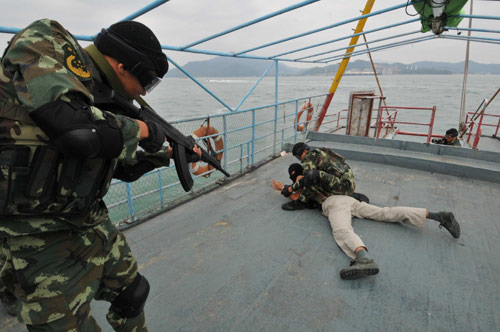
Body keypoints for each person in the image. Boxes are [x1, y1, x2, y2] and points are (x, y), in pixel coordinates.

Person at [0, 19, 201, 331]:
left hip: (89, 219)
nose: (144, 93)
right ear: (123, 67)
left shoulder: (100, 97)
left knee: (133, 293)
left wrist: (170, 153)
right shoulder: (46, 41)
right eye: (146, 83)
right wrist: (146, 130)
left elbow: (121, 166)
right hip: (33, 235)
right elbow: (79, 135)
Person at [271, 162, 461, 281]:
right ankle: (437, 215)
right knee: (385, 212)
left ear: (294, 175)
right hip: (351, 200)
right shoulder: (318, 173)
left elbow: (296, 199)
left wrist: (283, 189)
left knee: (342, 231)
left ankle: (363, 259)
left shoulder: (302, 181)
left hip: (334, 204)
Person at [280, 142, 368, 210]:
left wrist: (290, 188)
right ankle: (349, 194)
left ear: (305, 152)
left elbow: (309, 178)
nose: (300, 159)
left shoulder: (308, 158)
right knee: (315, 176)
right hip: (348, 181)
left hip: (343, 185)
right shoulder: (321, 151)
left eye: (299, 156)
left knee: (312, 176)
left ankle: (300, 203)